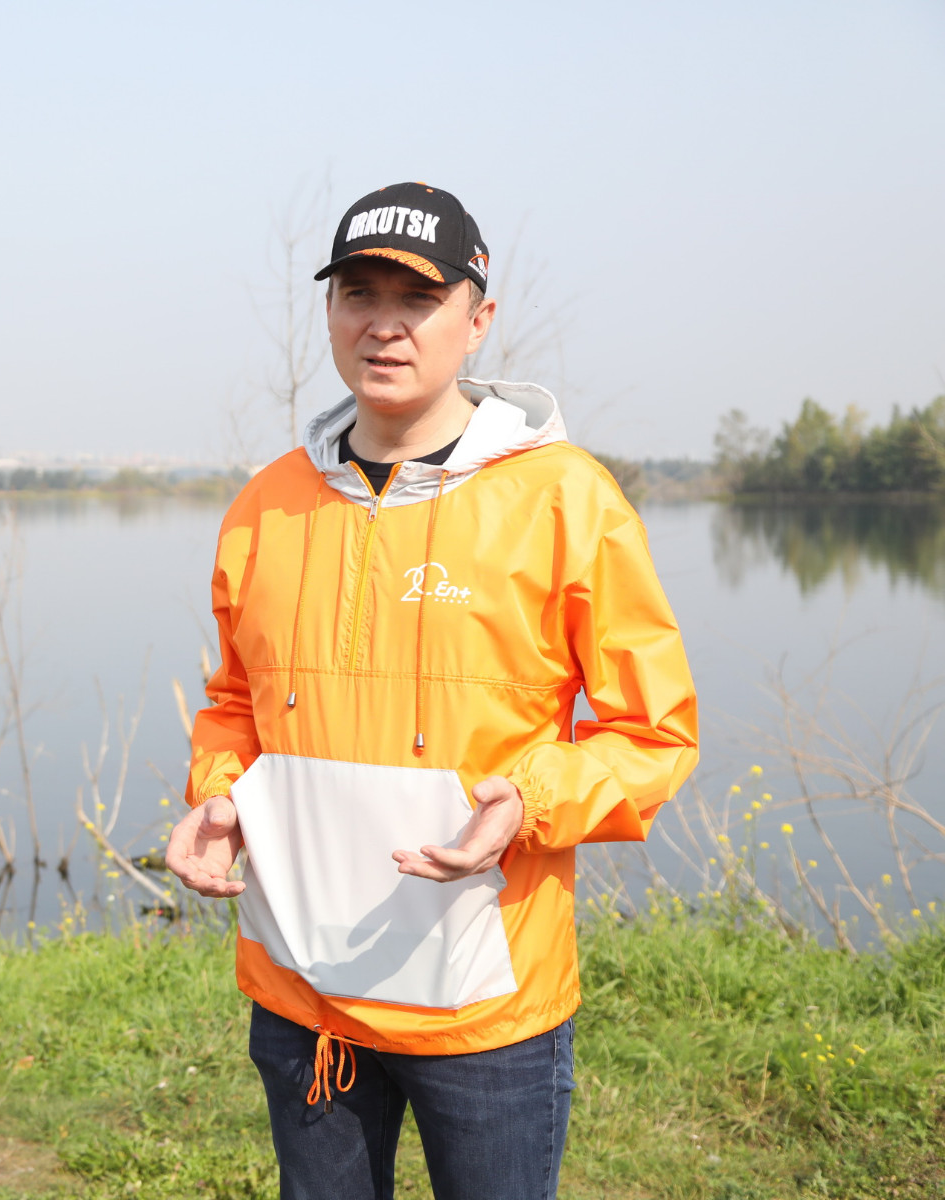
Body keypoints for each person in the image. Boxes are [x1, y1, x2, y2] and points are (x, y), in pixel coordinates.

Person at [167, 182, 699, 1199]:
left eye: (418, 298)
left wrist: (530, 800)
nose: (385, 325)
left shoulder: (564, 498)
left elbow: (653, 733)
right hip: (307, 996)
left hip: (485, 1007)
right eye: (359, 295)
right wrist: (223, 797)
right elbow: (234, 702)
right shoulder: (266, 504)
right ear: (329, 311)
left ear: (478, 317)